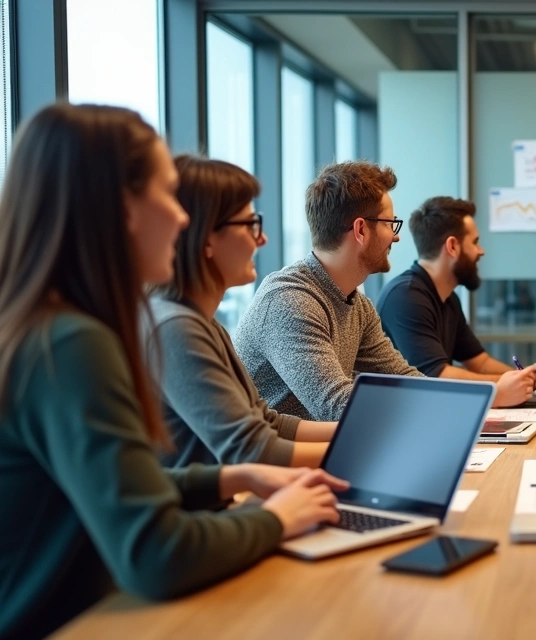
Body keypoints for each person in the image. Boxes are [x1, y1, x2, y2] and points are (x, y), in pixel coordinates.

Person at [0, 104, 347, 639]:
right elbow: (156, 554)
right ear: (120, 208)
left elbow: (115, 482)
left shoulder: (46, 326)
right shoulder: (73, 343)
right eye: (166, 194)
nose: (182, 218)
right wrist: (278, 518)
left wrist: (230, 478)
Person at [147, 155, 337, 468]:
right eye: (250, 224)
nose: (261, 238)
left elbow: (267, 422)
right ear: (207, 237)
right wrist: (367, 449)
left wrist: (357, 433)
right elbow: (251, 450)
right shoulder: (176, 328)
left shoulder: (203, 323)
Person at [234, 161, 436, 422]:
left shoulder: (358, 306)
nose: (395, 237)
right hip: (281, 448)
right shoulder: (290, 301)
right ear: (361, 230)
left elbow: (402, 379)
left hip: (321, 445)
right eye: (390, 224)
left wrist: (454, 405)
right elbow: (336, 407)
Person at [377, 196, 536, 407]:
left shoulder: (448, 298)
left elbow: (480, 362)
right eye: (475, 242)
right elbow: (435, 376)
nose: (481, 251)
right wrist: (502, 388)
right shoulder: (405, 297)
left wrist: (526, 378)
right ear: (452, 246)